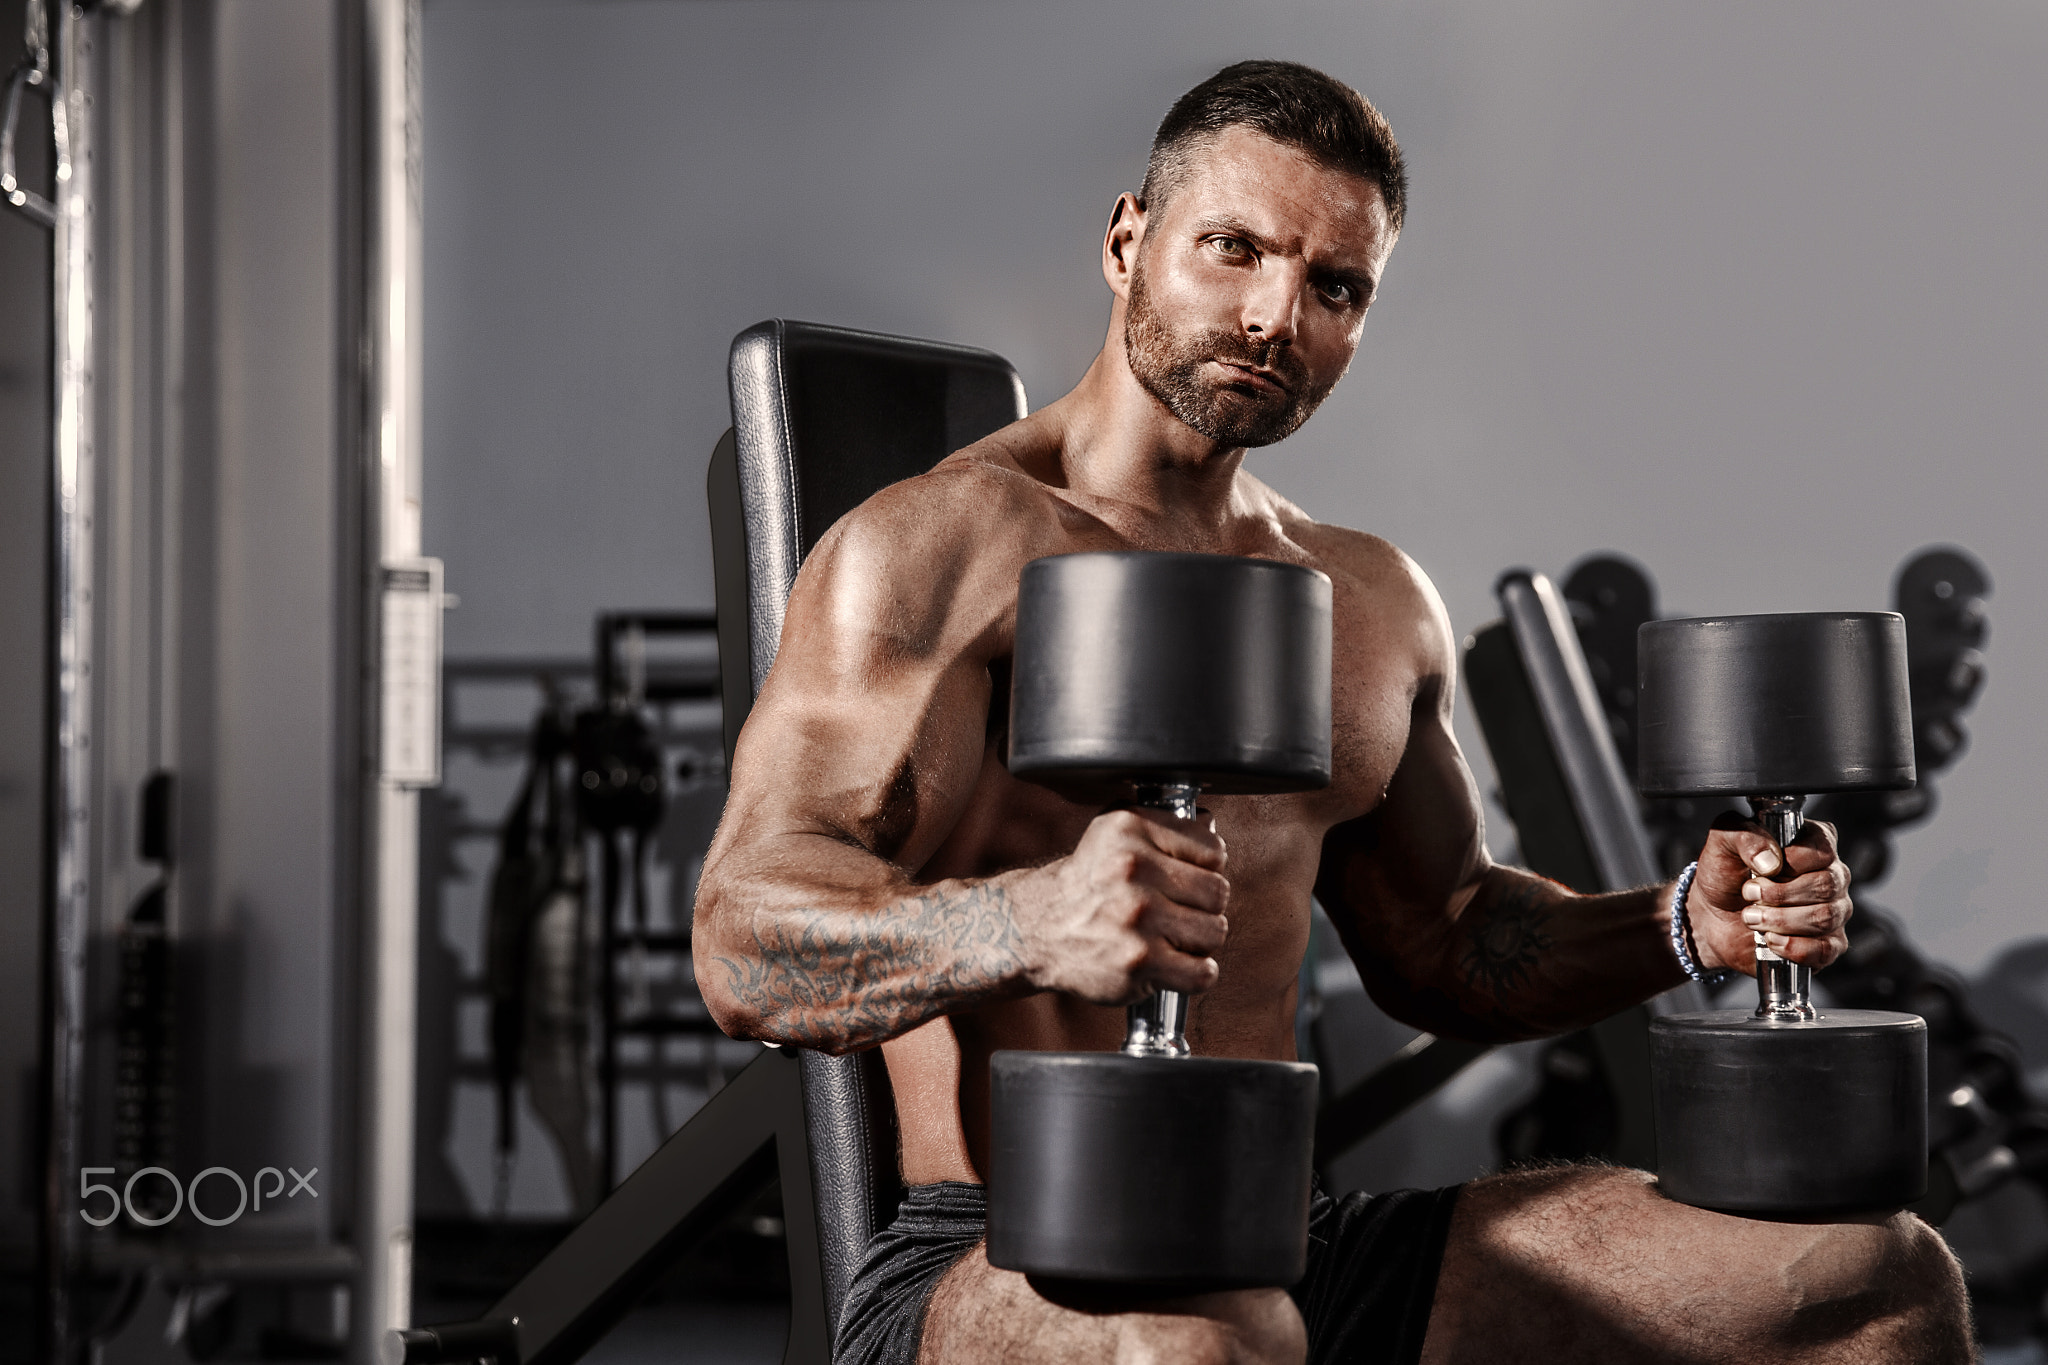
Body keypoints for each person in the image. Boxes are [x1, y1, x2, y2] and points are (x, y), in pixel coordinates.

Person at [693, 60, 1971, 1365]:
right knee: (1202, 1346)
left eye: (1334, 287)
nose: (1273, 316)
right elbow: (743, 945)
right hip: (1011, 1255)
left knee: (1876, 1275)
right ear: (1128, 240)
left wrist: (1679, 925)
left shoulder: (1366, 601)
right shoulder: (939, 550)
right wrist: (1026, 918)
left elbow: (1452, 941)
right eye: (1233, 249)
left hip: (1295, 1239)